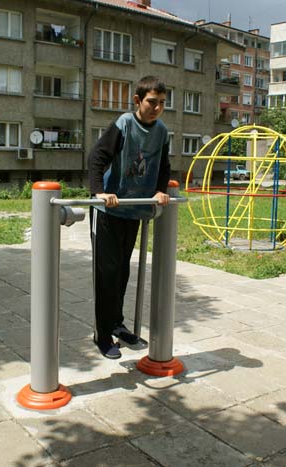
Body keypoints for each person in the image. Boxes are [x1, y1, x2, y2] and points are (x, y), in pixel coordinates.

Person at [88, 76, 171, 359]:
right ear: (137, 100)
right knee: (106, 273)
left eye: (162, 103)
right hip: (107, 210)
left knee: (122, 270)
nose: (157, 108)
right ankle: (101, 334)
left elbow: (163, 165)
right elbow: (97, 157)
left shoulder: (162, 131)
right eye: (152, 102)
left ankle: (116, 323)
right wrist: (99, 192)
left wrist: (160, 190)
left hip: (132, 210)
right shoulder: (124, 123)